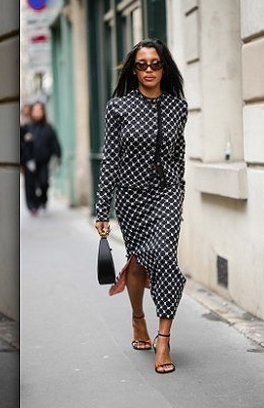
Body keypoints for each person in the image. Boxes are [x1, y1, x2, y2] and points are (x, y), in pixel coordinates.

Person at [94, 38, 187, 374]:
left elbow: (179, 154)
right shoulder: (119, 107)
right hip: (132, 197)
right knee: (136, 265)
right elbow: (111, 160)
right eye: (142, 64)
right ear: (134, 70)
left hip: (167, 195)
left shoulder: (178, 106)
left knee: (164, 256)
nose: (149, 70)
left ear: (165, 68)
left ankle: (163, 339)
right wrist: (103, 209)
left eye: (155, 64)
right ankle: (137, 319)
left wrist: (178, 188)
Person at [19, 101, 61, 215]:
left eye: (40, 110)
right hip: (29, 161)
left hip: (43, 162)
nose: (37, 112)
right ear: (32, 112)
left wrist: (57, 156)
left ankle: (42, 200)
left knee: (44, 183)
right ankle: (32, 206)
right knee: (30, 185)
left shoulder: (48, 128)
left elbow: (55, 143)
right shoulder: (26, 127)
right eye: (35, 110)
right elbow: (20, 144)